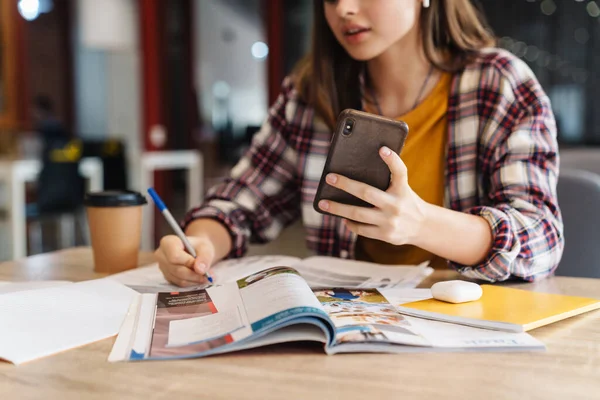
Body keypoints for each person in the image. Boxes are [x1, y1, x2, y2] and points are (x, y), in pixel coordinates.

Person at [156, 0, 563, 287]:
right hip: (348, 332)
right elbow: (239, 202)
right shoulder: (309, 94)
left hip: (470, 334)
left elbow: (542, 237)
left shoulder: (500, 83)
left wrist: (422, 224)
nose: (344, 8)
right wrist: (202, 242)